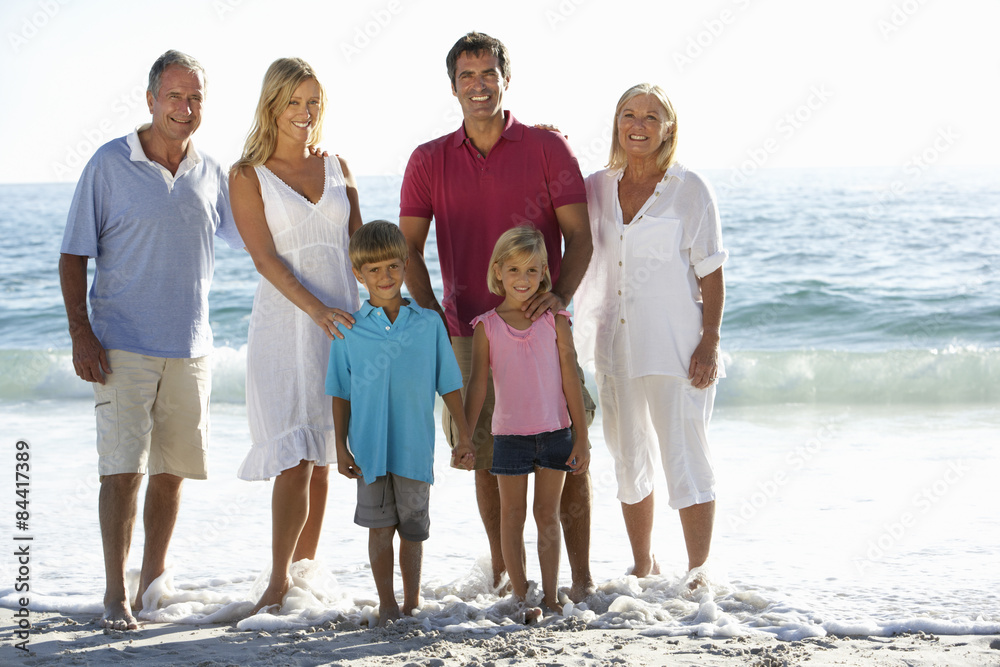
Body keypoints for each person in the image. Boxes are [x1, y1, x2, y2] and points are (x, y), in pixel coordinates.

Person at [399, 31, 596, 600]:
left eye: (489, 74)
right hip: (467, 331)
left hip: (543, 329)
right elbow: (409, 246)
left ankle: (580, 583)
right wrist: (434, 315)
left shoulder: (546, 148)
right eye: (468, 76)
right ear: (453, 86)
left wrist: (556, 297)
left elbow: (580, 236)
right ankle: (508, 577)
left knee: (568, 452)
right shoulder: (428, 159)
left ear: (506, 80)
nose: (479, 86)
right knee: (486, 456)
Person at [58, 50, 243, 630]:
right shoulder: (109, 164)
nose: (185, 109)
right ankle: (115, 594)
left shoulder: (212, 172)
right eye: (174, 97)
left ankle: (151, 587)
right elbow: (72, 255)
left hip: (191, 347)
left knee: (171, 472)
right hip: (121, 346)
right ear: (150, 99)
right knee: (122, 471)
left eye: (195, 99)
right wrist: (81, 334)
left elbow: (260, 245)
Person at [574, 84, 728, 582]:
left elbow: (712, 272)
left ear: (668, 129)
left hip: (678, 347)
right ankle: (644, 566)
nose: (637, 125)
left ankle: (699, 571)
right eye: (628, 114)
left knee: (685, 453)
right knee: (627, 456)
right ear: (617, 123)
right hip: (614, 348)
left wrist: (710, 341)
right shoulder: (597, 186)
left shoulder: (690, 189)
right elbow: (557, 209)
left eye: (650, 117)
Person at [229, 58, 362, 614]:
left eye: (313, 102)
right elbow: (265, 260)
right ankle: (277, 581)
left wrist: (386, 313)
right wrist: (317, 310)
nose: (305, 114)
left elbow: (360, 249)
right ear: (272, 105)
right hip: (287, 327)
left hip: (342, 325)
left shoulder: (337, 166)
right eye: (294, 102)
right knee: (294, 457)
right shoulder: (247, 175)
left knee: (325, 451)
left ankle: (304, 576)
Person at [325, 221, 475, 626]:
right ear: (358, 274)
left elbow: (449, 383)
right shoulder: (348, 331)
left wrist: (464, 435)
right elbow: (340, 392)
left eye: (392, 266)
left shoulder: (428, 325)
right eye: (373, 270)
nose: (385, 277)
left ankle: (411, 601)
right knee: (379, 529)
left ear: (405, 265)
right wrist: (340, 447)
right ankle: (386, 604)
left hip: (414, 448)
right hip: (370, 452)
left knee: (413, 530)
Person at [465, 227, 591, 618]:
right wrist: (466, 438)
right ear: (498, 271)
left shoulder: (556, 318)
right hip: (508, 438)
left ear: (544, 275)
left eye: (533, 271)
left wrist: (581, 438)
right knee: (512, 517)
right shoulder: (486, 326)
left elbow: (571, 377)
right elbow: (477, 388)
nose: (524, 279)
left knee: (547, 516)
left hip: (555, 434)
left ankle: (551, 597)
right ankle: (521, 599)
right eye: (515, 269)